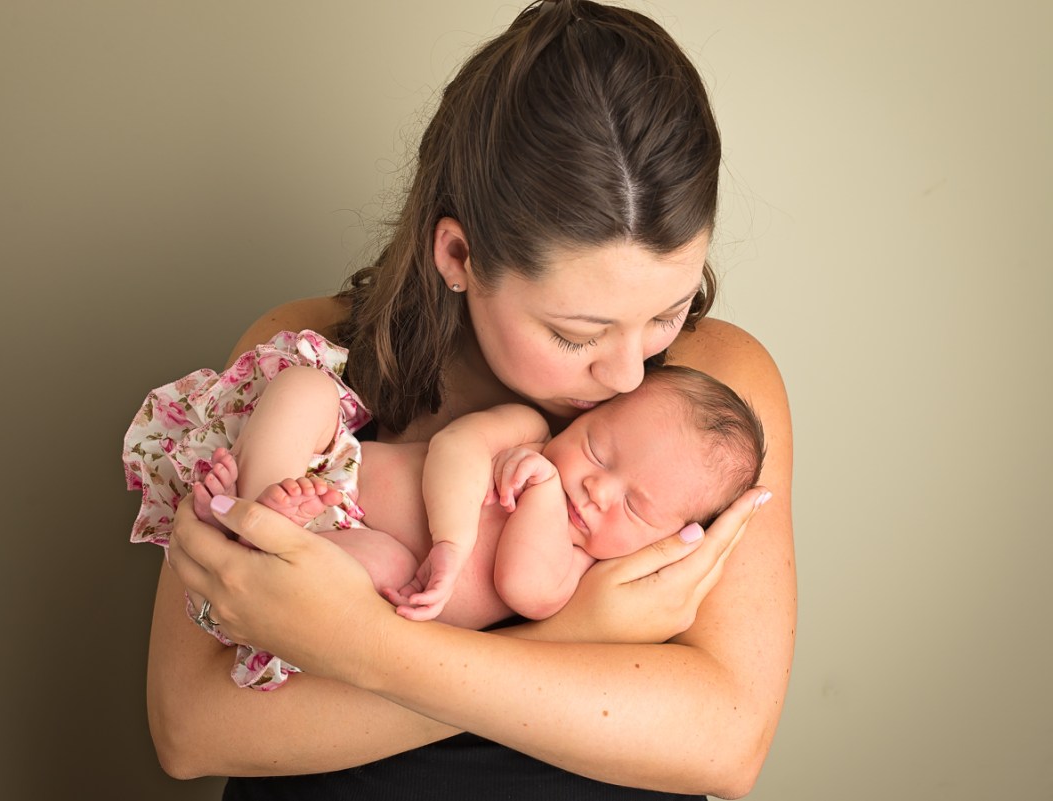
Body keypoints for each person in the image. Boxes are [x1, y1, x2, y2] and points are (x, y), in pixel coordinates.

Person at [146, 1, 794, 798]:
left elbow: (723, 743)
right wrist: (574, 636)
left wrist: (371, 650)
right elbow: (191, 729)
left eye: (664, 311)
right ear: (458, 254)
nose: (630, 374)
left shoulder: (714, 395)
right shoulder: (305, 355)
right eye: (576, 332)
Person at [125, 343, 765, 688]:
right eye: (598, 448)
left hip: (360, 567)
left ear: (669, 537)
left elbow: (526, 589)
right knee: (305, 391)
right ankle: (260, 501)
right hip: (330, 472)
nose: (597, 488)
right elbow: (455, 449)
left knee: (387, 567)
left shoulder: (574, 569)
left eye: (634, 506)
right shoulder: (529, 430)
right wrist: (454, 538)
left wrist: (541, 493)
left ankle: (270, 540)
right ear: (585, 415)